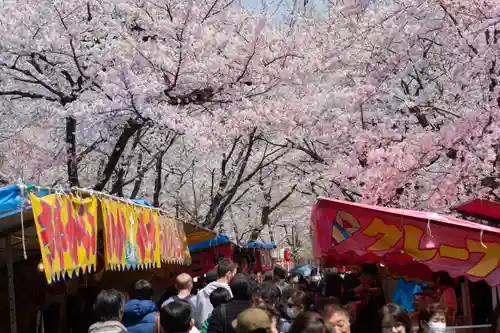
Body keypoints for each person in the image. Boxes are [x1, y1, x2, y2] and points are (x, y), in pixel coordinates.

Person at [195, 259, 236, 328]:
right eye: (234, 274)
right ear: (229, 274)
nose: (235, 277)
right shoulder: (231, 293)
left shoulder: (201, 292)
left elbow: (198, 317)